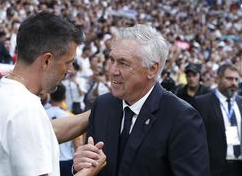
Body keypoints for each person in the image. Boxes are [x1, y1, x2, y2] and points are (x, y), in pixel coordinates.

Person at [0, 12, 105, 176]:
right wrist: (89, 171)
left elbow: (43, 132)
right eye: (68, 62)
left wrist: (98, 112)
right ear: (47, 60)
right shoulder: (25, 110)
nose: (69, 70)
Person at [73, 24, 210, 176]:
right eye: (111, 60)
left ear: (152, 69)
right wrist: (79, 166)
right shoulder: (102, 105)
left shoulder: (182, 118)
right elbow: (90, 165)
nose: (112, 70)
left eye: (123, 63)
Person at [195, 63, 242, 176]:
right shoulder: (202, 103)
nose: (234, 83)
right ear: (218, 79)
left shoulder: (240, 102)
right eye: (229, 79)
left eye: (236, 79)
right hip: (215, 167)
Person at [46, 84, 82, 176]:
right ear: (64, 97)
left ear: (50, 96)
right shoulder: (69, 116)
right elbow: (77, 142)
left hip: (49, 161)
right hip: (67, 160)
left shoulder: (43, 114)